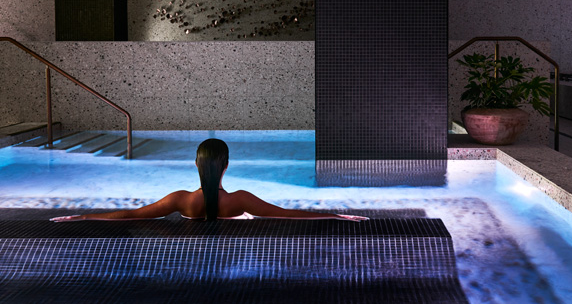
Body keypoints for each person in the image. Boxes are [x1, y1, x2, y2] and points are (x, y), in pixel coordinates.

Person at [51, 138, 367, 223]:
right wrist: (334, 213)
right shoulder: (239, 199)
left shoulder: (182, 200)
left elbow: (132, 214)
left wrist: (85, 214)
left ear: (196, 164)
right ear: (227, 165)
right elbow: (286, 213)